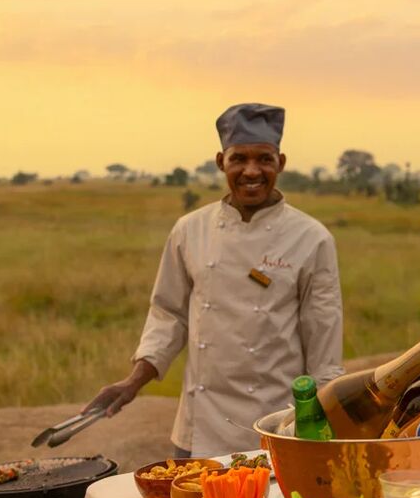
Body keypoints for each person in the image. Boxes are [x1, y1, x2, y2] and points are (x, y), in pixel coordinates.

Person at [84, 103, 345, 458]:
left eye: (264, 159)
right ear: (221, 161)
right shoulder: (190, 230)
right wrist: (133, 383)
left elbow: (324, 345)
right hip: (197, 429)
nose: (251, 171)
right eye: (239, 158)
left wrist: (320, 432)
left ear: (280, 163)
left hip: (274, 427)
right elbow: (168, 314)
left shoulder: (311, 238)